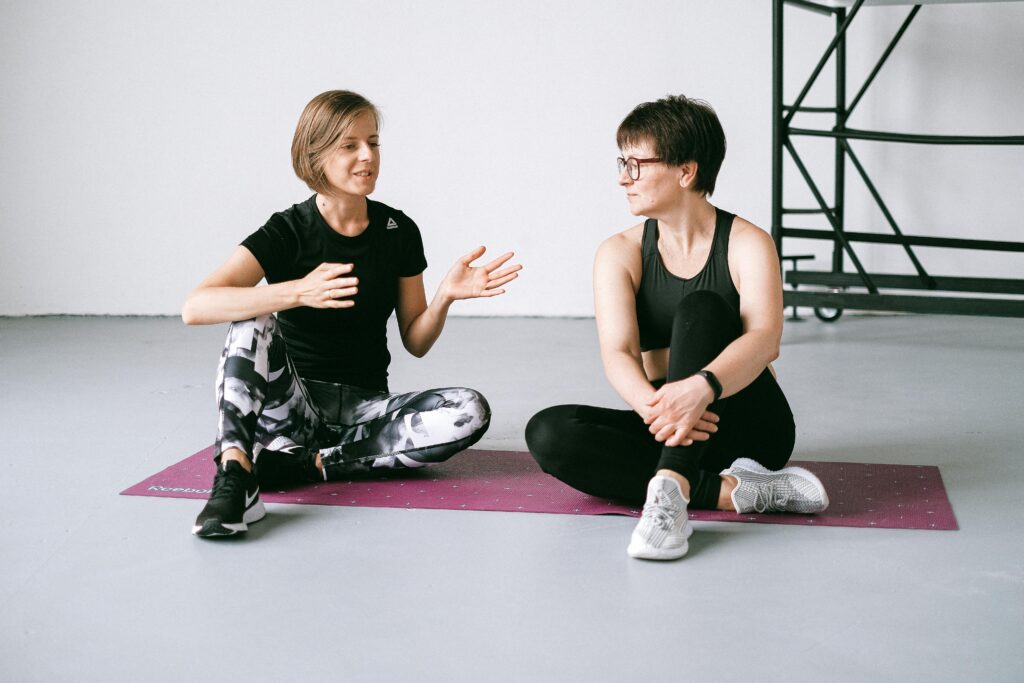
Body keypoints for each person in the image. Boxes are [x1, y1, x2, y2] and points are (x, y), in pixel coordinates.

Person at [183, 90, 521, 538]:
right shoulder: (288, 230)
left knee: (468, 409)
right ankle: (236, 473)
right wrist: (297, 291)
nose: (368, 156)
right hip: (295, 407)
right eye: (350, 145)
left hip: (367, 409)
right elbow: (196, 306)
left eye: (373, 143)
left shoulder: (398, 230)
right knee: (253, 318)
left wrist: (444, 297)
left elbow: (416, 341)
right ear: (315, 155)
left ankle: (310, 464)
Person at [525, 95, 827, 561]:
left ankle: (670, 490)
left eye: (636, 165)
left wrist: (700, 387)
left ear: (686, 172)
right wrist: (658, 410)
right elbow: (619, 353)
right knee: (548, 433)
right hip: (666, 423)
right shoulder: (619, 253)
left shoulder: (747, 243)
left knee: (701, 308)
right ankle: (726, 491)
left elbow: (765, 340)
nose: (623, 178)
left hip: (747, 427)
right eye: (622, 163)